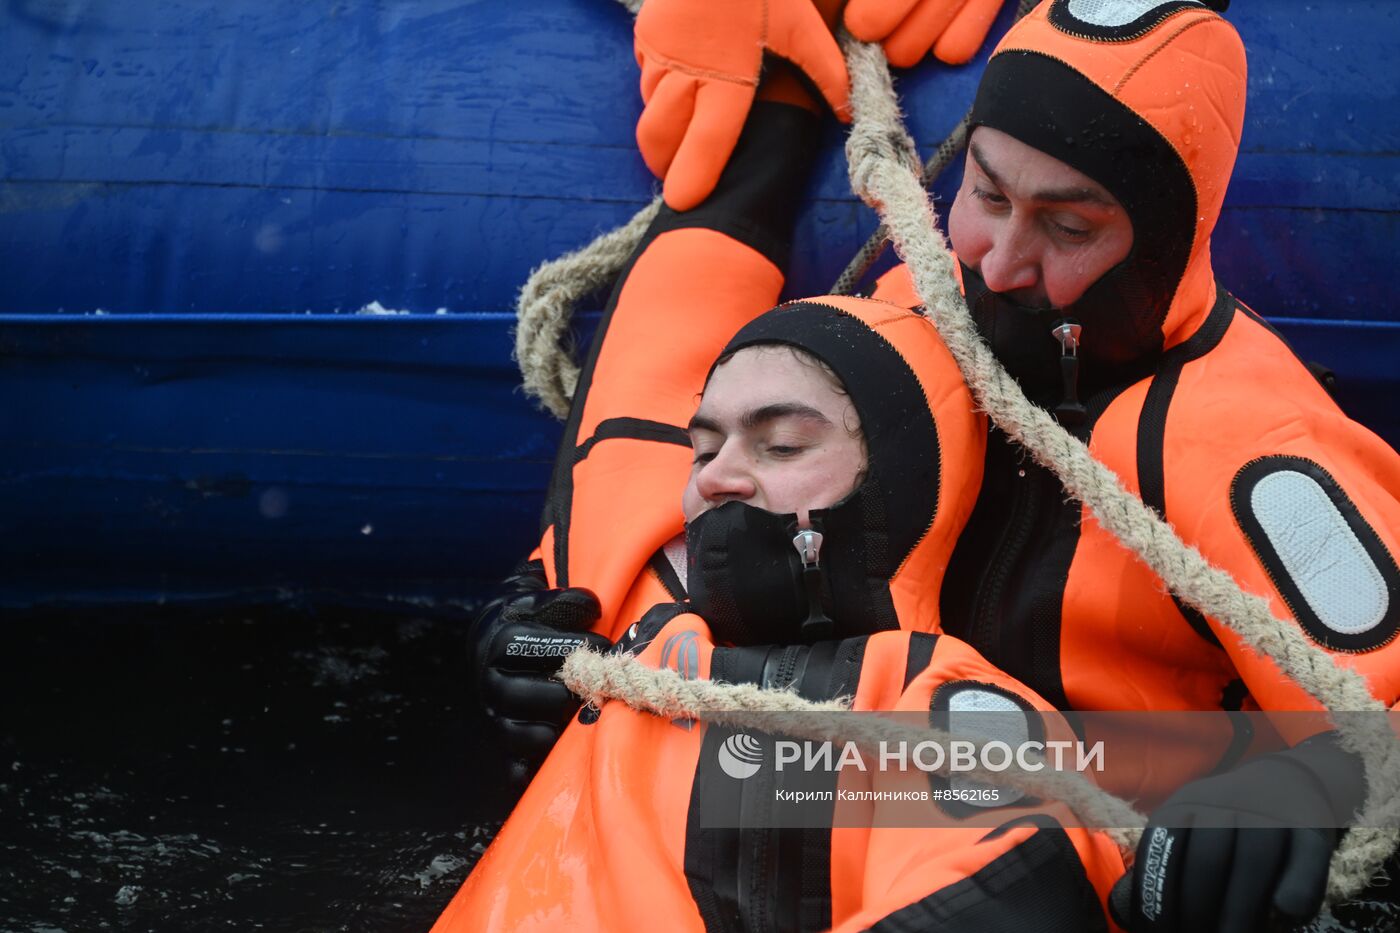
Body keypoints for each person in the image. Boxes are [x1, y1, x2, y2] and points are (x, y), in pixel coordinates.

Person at [471, 0, 1400, 929]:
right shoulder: (923, 299)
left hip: (1050, 840)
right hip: (828, 779)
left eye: (1067, 229)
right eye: (987, 194)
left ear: (1158, 247)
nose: (996, 262)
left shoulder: (1250, 448)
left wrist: (1302, 785)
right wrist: (546, 609)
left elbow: (1384, 705)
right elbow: (669, 416)